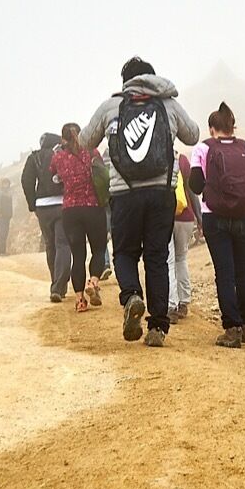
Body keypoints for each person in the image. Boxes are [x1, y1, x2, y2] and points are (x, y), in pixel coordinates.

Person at [83, 57, 200, 347]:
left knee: (124, 252)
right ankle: (158, 327)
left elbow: (86, 141)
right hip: (162, 193)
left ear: (125, 81)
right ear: (152, 77)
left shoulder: (112, 106)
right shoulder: (168, 104)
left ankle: (132, 296)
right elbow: (193, 134)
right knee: (157, 257)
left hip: (124, 194)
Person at [188, 102, 245, 347]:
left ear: (212, 129)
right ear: (232, 127)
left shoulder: (202, 148)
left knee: (225, 272)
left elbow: (196, 185)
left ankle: (230, 329)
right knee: (243, 270)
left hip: (215, 216)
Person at [51, 123, 105, 311]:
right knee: (98, 250)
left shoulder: (58, 158)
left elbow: (52, 174)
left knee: (78, 256)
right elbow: (102, 171)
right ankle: (93, 282)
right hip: (93, 208)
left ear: (63, 138)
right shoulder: (91, 152)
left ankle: (80, 300)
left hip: (70, 212)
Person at [21, 133, 66, 301]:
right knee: (62, 244)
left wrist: (33, 203)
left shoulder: (34, 157)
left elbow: (26, 180)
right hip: (62, 204)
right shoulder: (61, 155)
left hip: (42, 207)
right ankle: (59, 284)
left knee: (50, 245)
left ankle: (56, 284)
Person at [168, 149, 201, 323]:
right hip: (185, 217)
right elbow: (193, 192)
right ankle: (184, 302)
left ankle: (171, 306)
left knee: (168, 261)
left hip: (164, 218)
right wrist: (199, 218)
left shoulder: (155, 159)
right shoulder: (181, 160)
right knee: (181, 259)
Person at [88, 150, 113, 280]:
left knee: (101, 235)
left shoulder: (85, 155)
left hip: (98, 201)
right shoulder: (96, 154)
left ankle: (105, 264)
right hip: (112, 197)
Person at [0, 179, 15, 255]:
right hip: (0, 217)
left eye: (7, 183)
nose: (6, 185)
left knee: (5, 233)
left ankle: (3, 251)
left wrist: (10, 215)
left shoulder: (9, 194)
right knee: (1, 233)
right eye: (4, 183)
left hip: (7, 217)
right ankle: (0, 251)